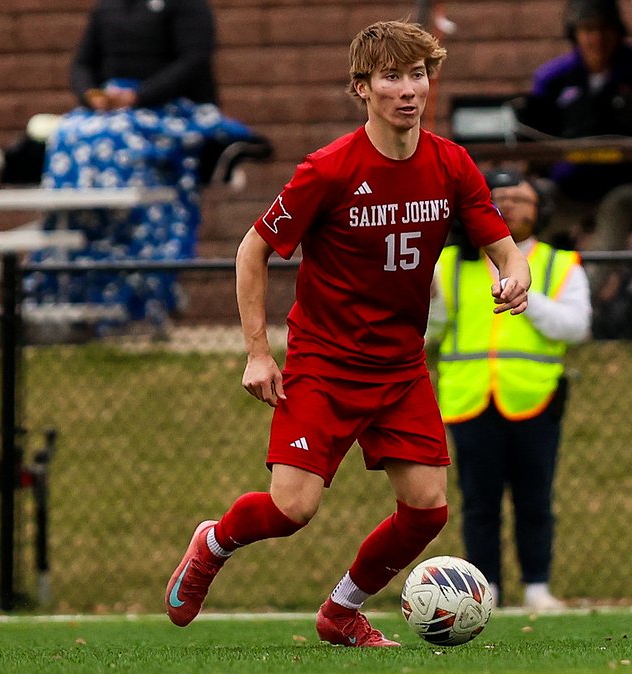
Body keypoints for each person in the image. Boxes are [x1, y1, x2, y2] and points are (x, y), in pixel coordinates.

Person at [163, 20, 531, 647]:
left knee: (428, 510)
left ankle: (341, 611)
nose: (408, 89)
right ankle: (213, 541)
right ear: (362, 88)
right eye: (392, 76)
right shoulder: (328, 170)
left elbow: (506, 248)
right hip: (325, 364)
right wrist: (257, 351)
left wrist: (514, 276)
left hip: (400, 366)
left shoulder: (451, 163)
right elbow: (252, 250)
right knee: (291, 510)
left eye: (418, 74)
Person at [27, 0, 257, 327]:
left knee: (116, 139)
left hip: (168, 109)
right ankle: (79, 248)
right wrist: (91, 95)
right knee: (69, 134)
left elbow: (194, 60)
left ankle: (136, 279)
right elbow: (81, 64)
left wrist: (139, 96)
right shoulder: (107, 8)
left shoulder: (187, 7)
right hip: (105, 113)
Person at [427, 169, 591, 611]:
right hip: (470, 397)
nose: (509, 206)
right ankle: (486, 588)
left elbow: (576, 327)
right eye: (499, 197)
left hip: (534, 395)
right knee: (479, 501)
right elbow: (431, 334)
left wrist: (524, 294)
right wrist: (430, 301)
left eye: (521, 198)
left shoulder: (560, 264)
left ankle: (537, 584)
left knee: (534, 497)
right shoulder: (452, 262)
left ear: (541, 210)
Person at [518, 0, 632, 300]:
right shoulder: (552, 77)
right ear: (575, 34)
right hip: (566, 187)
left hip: (621, 184)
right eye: (588, 30)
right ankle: (525, 296)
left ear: (618, 33)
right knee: (527, 203)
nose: (597, 38)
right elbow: (532, 137)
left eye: (604, 29)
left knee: (621, 205)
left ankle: (581, 306)